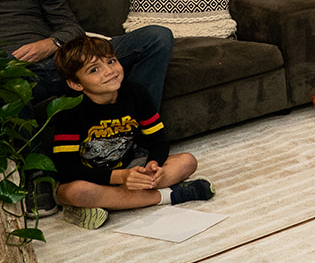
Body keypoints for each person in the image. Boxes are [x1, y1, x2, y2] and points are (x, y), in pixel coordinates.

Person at [48, 36, 213, 231]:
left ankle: (108, 203)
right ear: (76, 84)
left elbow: (158, 141)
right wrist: (121, 178)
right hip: (91, 177)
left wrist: (154, 165)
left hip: (130, 167)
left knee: (187, 161)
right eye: (94, 70)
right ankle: (169, 196)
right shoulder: (69, 110)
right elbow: (67, 169)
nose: (109, 71)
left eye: (111, 61)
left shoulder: (135, 93)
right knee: (76, 192)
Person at [1, 0, 173, 109]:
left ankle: (140, 133)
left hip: (66, 59)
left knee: (156, 36)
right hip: (15, 76)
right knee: (7, 84)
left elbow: (73, 28)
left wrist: (51, 43)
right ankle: (28, 154)